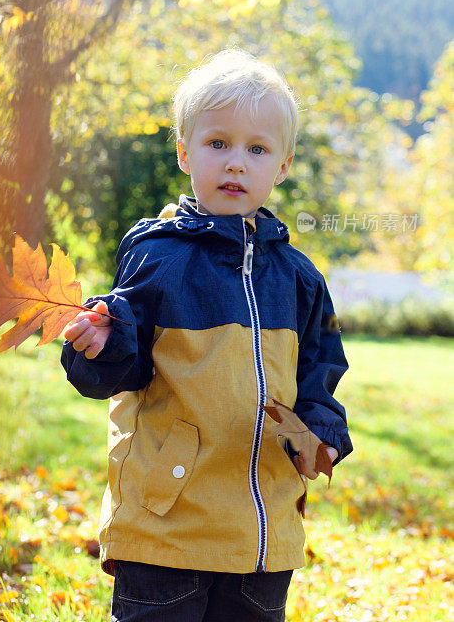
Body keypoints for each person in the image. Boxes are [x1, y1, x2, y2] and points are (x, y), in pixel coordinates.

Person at [61, 49, 352, 622]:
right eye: (218, 143)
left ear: (284, 165)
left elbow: (322, 369)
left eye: (257, 149)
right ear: (184, 153)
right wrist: (102, 344)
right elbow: (121, 367)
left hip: (263, 532)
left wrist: (319, 431)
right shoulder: (157, 257)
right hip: (166, 523)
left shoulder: (300, 277)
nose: (236, 163)